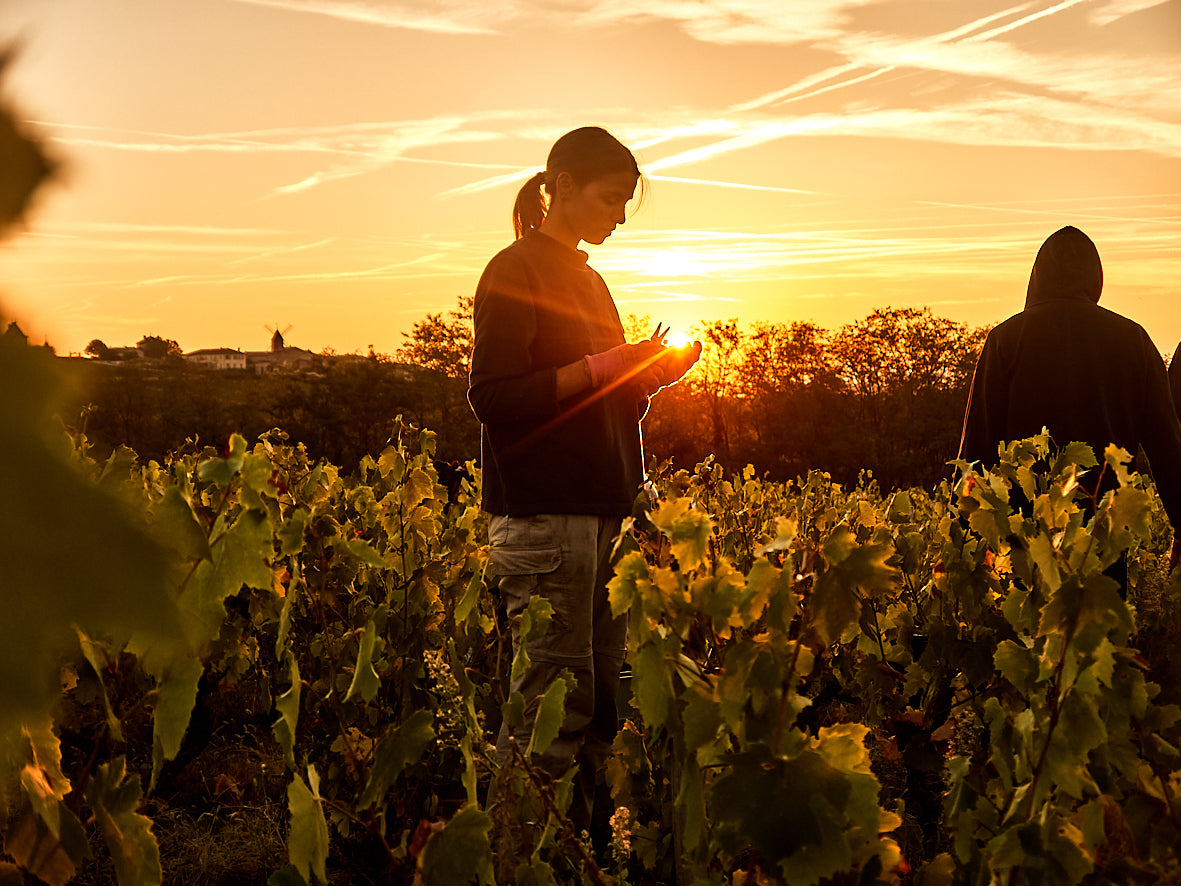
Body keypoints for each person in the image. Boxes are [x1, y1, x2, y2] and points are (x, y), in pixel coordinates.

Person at [467, 126, 700, 846]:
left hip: (603, 515)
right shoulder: (513, 270)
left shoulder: (589, 279)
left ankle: (580, 857)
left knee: (598, 712)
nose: (620, 217)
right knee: (550, 713)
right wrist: (606, 366)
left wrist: (649, 378)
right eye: (611, 198)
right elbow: (494, 398)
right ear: (563, 186)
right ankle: (517, 861)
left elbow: (602, 404)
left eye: (627, 202)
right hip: (545, 520)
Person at [957, 225, 1181, 572]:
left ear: (1037, 275)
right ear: (1096, 278)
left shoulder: (1005, 340)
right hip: (1103, 545)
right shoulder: (1134, 341)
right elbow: (1169, 452)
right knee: (1099, 608)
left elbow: (976, 453)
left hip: (1025, 551)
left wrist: (963, 549)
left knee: (1030, 607)